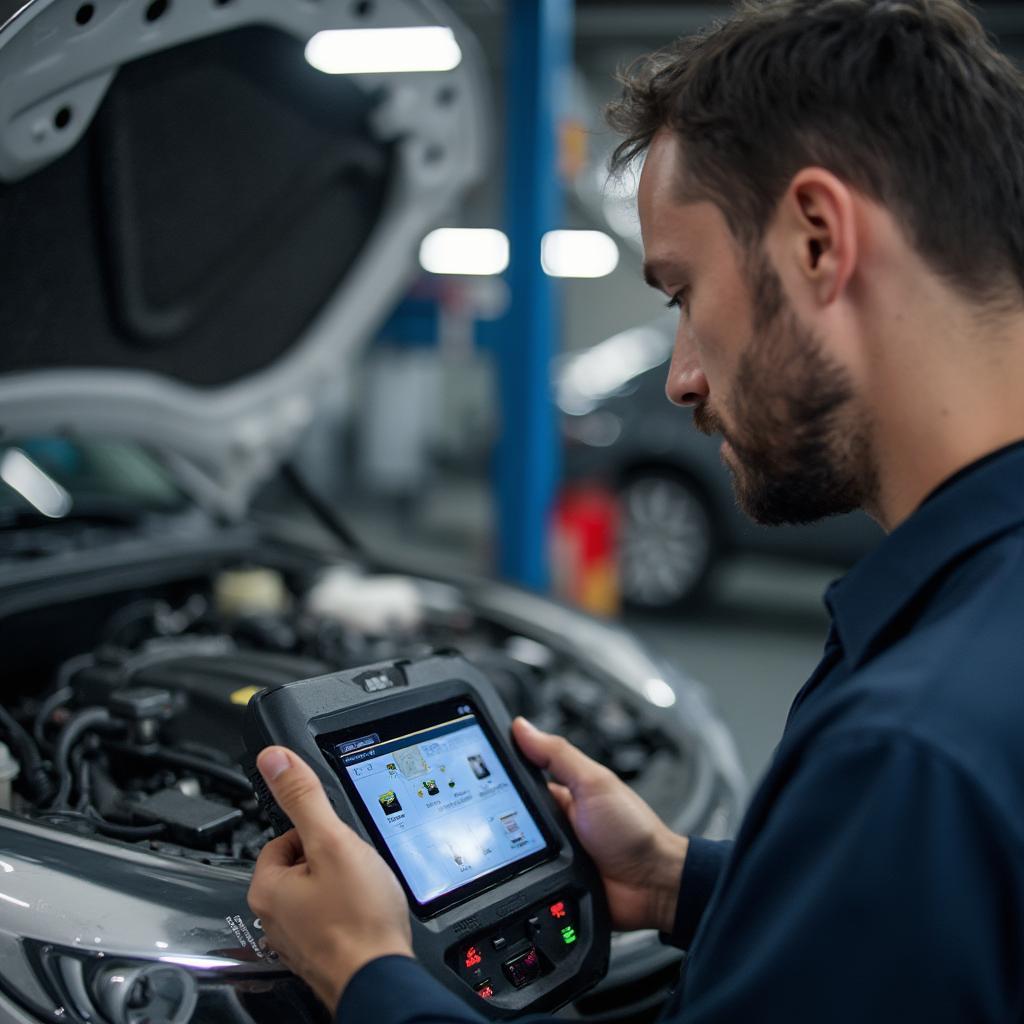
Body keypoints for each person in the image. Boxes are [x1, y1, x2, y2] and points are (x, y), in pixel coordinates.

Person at [248, 0, 1024, 1019]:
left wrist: (368, 971)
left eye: (681, 292)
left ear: (818, 240)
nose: (681, 378)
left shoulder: (910, 751)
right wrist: (675, 879)